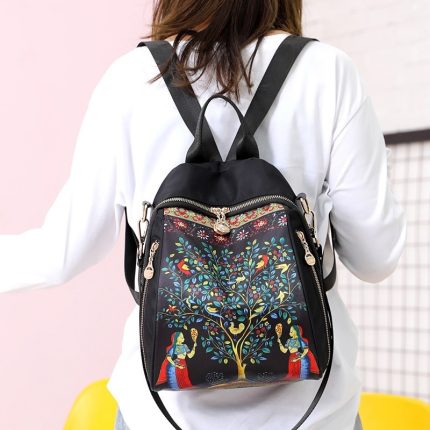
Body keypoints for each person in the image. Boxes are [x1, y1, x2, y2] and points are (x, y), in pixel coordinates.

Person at [0, 0, 406, 429]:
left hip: (158, 416)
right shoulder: (328, 72)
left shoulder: (129, 80)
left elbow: (62, 252)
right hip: (315, 416)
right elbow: (376, 259)